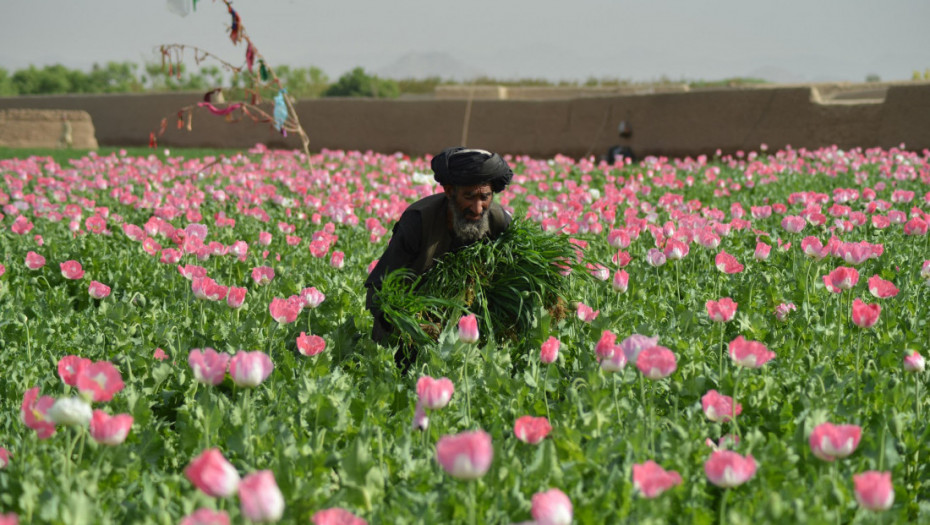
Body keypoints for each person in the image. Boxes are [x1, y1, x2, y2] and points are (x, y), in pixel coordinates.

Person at [365, 147, 514, 353]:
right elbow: (380, 287)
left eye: (485, 197)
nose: (478, 208)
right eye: (469, 197)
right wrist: (408, 323)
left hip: (470, 323)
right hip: (414, 323)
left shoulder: (498, 220)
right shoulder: (419, 221)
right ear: (449, 191)